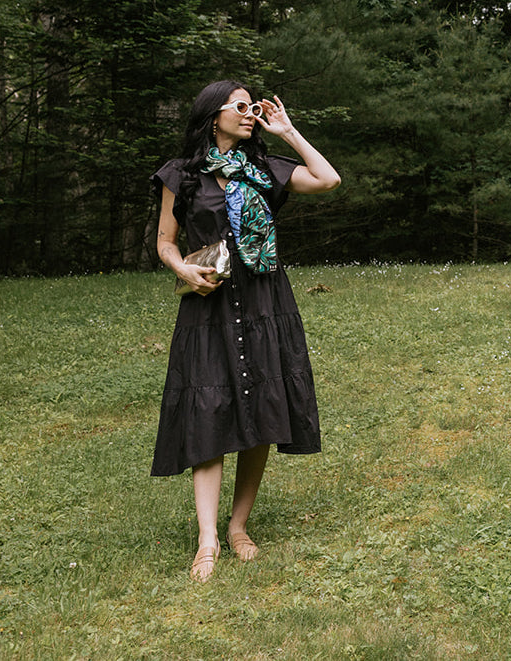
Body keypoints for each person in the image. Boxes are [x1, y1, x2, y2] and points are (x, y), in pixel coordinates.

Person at [151, 80, 340, 581]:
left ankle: (239, 527)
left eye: (252, 107)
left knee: (262, 404)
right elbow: (165, 241)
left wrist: (290, 132)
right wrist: (182, 270)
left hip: (263, 301)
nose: (249, 113)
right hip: (207, 303)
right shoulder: (182, 174)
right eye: (240, 107)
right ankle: (207, 538)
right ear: (213, 115)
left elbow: (328, 180)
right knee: (208, 408)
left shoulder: (266, 169)